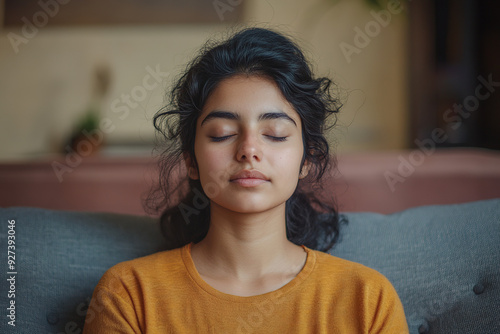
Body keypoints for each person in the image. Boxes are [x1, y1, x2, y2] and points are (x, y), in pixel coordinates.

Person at [83, 27, 409, 333]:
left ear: (307, 158)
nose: (248, 150)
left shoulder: (367, 300)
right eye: (222, 134)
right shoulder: (130, 294)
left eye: (275, 134)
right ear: (190, 160)